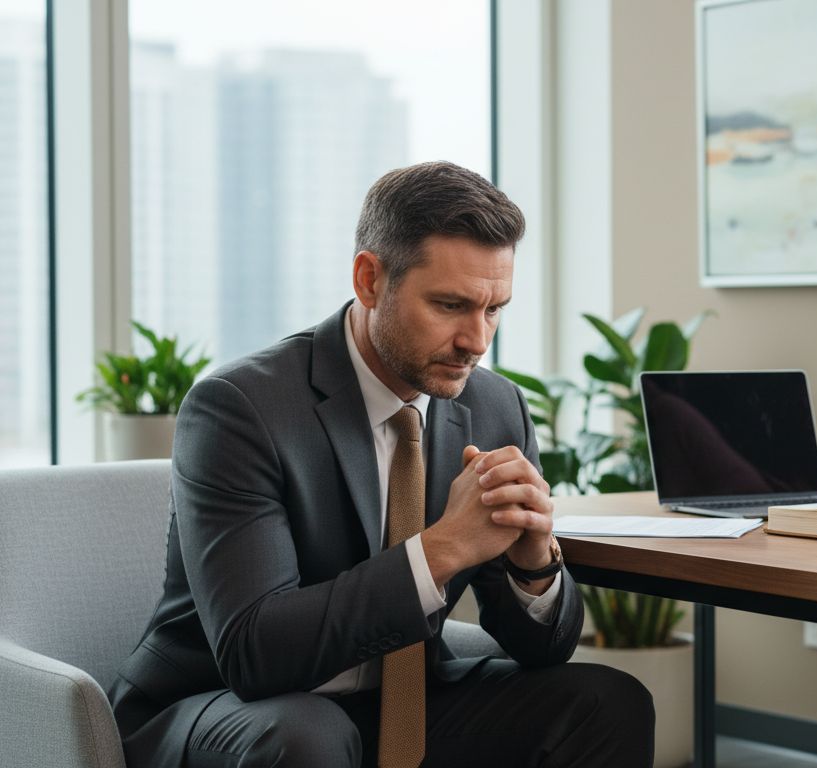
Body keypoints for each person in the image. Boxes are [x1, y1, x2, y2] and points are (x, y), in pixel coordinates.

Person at [108, 161, 655, 767]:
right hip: (228, 706)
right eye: (449, 305)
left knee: (610, 702)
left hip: (403, 703)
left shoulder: (496, 405)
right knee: (308, 736)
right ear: (369, 279)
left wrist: (534, 566)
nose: (477, 339)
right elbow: (254, 653)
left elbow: (541, 650)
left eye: (494, 308)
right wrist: (443, 548)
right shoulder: (242, 409)